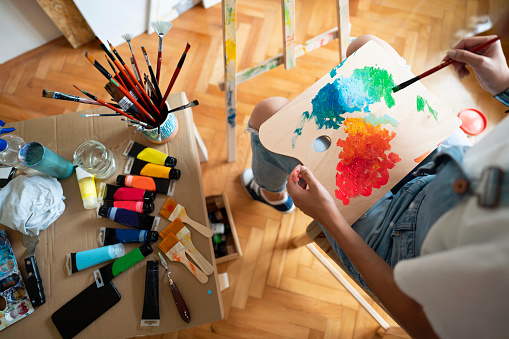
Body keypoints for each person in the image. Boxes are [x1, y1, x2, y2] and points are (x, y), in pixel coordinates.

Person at [241, 32, 509, 338]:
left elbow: (421, 323)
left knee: (269, 113)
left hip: (399, 246)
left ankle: (270, 192)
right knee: (368, 47)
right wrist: (504, 85)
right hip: (453, 166)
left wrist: (329, 217)